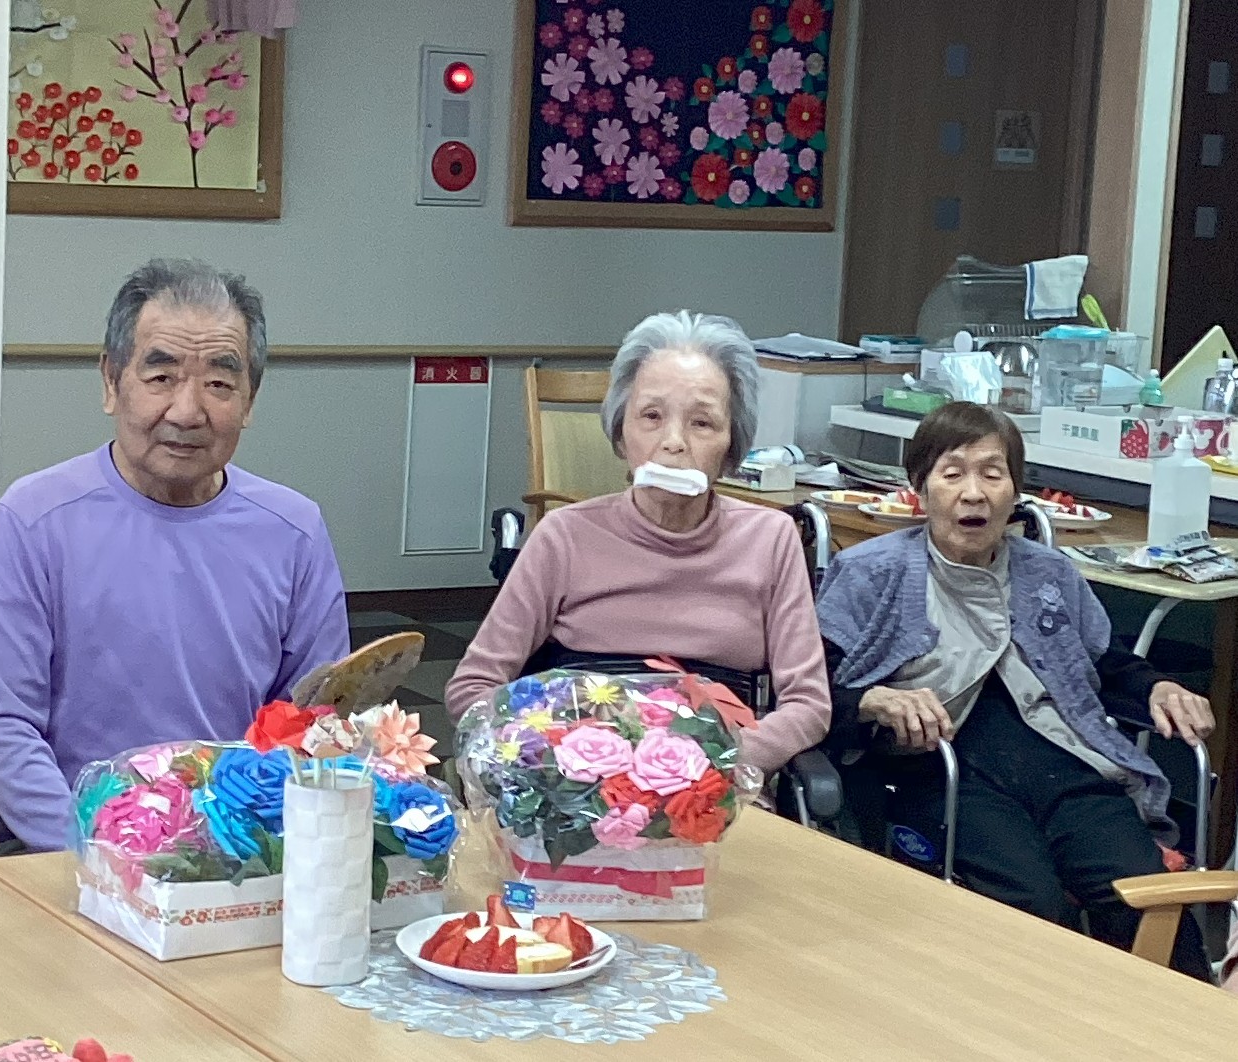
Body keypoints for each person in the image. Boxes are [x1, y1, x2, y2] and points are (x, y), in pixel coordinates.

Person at [815, 402, 1215, 978]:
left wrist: (1159, 687)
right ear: (919, 488)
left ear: (1016, 491)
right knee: (1031, 906)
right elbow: (813, 687)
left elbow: (1104, 664)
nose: (974, 493)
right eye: (953, 473)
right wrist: (876, 700)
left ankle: (1188, 1022)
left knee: (1144, 896)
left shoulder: (1049, 573)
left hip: (1065, 759)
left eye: (992, 474)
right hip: (941, 767)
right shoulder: (870, 572)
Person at [0, 259, 350, 851]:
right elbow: (2, 726)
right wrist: (95, 853)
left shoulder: (294, 530)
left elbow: (314, 720)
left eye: (219, 384)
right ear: (111, 381)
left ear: (250, 399)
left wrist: (244, 844)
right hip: (67, 849)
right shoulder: (34, 518)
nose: (187, 411)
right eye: (161, 376)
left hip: (237, 850)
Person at [446, 310, 830, 776]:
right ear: (620, 433)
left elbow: (808, 704)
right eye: (651, 416)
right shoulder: (564, 536)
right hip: (580, 784)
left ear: (732, 446)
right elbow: (472, 688)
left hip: (721, 784)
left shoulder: (771, 538)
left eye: (702, 423)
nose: (673, 443)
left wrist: (727, 764)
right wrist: (551, 755)